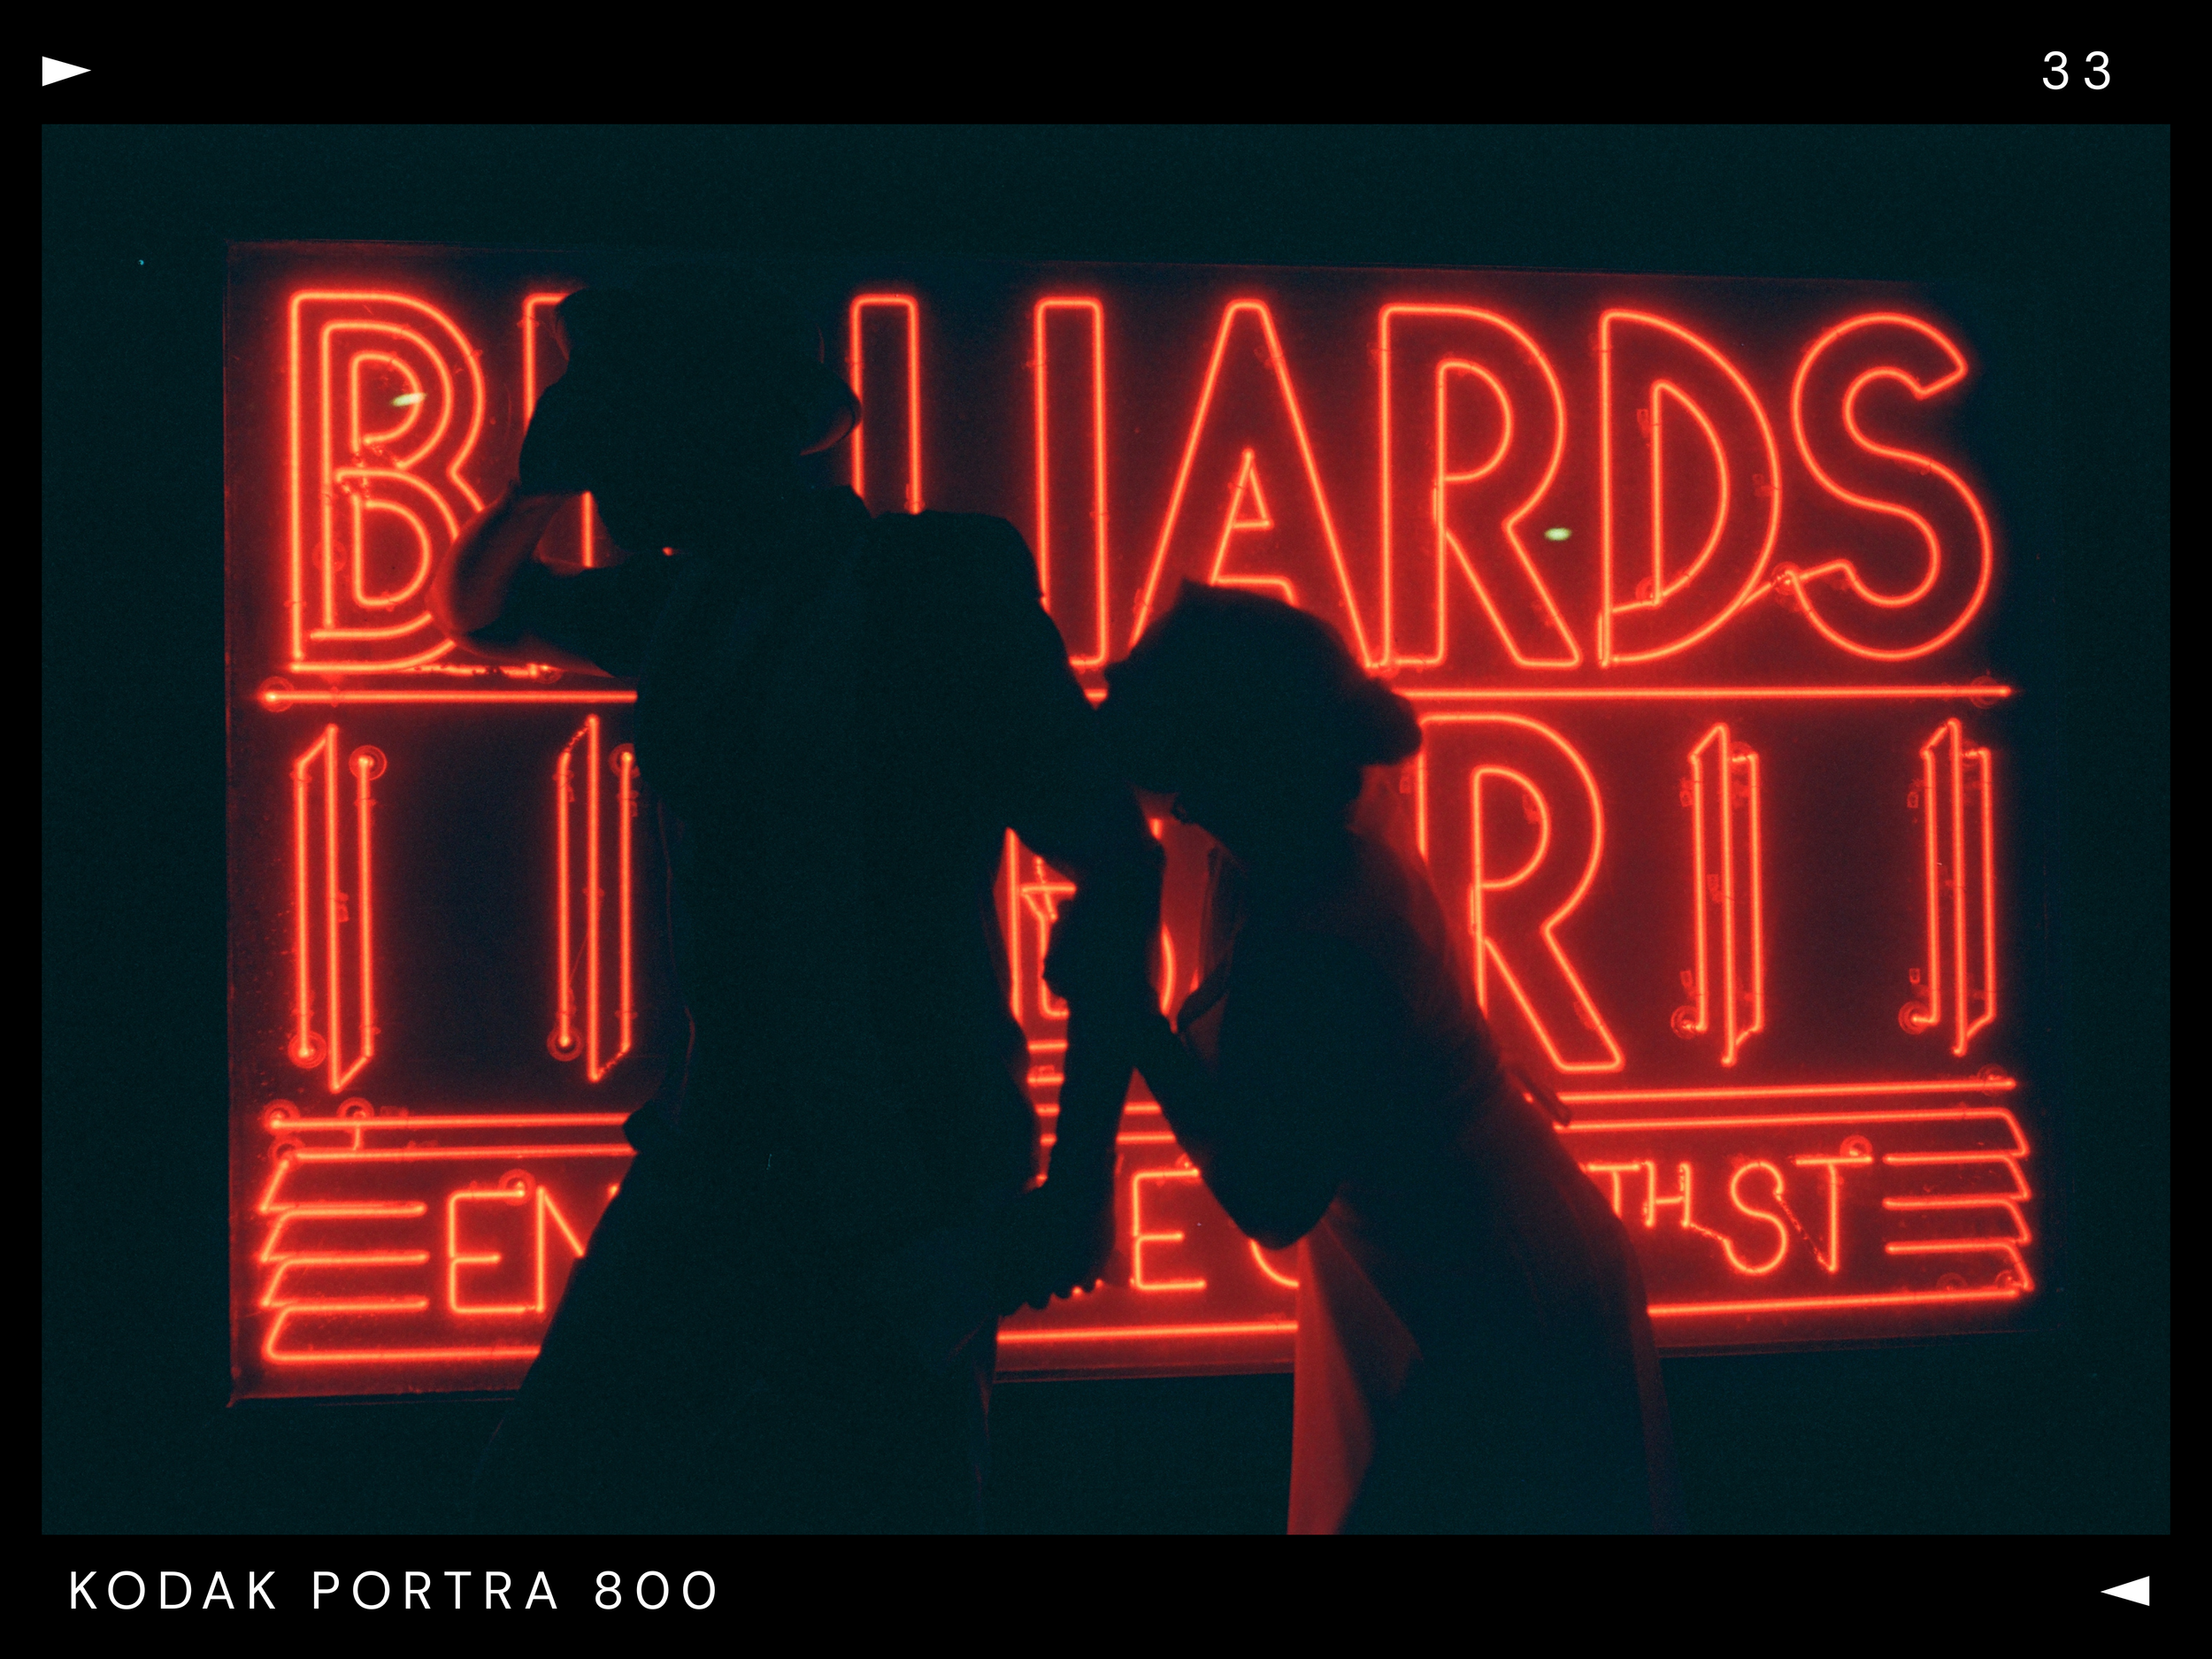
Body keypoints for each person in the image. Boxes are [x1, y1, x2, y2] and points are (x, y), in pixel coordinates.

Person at [433, 267, 1162, 1532]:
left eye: (638, 454)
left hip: (897, 1164)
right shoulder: (696, 597)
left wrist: (1084, 1180)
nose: (620, 495)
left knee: (873, 1491)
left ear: (718, 444)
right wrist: (554, 463)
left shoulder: (930, 583)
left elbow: (1118, 850)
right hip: (744, 1147)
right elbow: (483, 606)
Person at [1046, 582, 1684, 1533]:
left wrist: (1128, 1014)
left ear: (1209, 766)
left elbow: (1273, 1201)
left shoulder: (1313, 932)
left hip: (1483, 1295)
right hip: (1472, 1259)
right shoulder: (1306, 847)